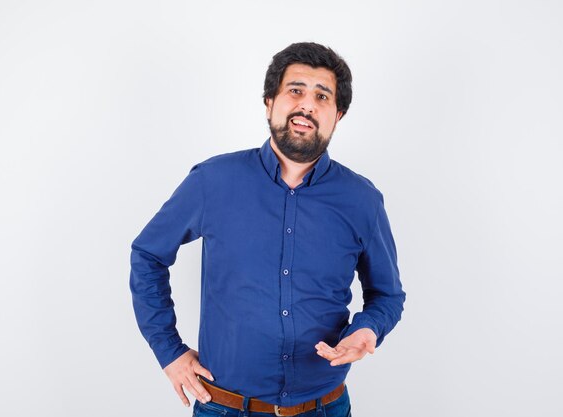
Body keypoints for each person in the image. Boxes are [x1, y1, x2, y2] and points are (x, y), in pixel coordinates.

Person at [130, 42, 405, 417]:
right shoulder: (213, 181)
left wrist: (368, 330)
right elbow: (148, 254)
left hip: (323, 408)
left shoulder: (362, 200)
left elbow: (387, 295)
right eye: (295, 90)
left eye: (322, 96)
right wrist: (169, 351)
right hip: (224, 407)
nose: (307, 105)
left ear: (337, 115)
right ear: (269, 102)